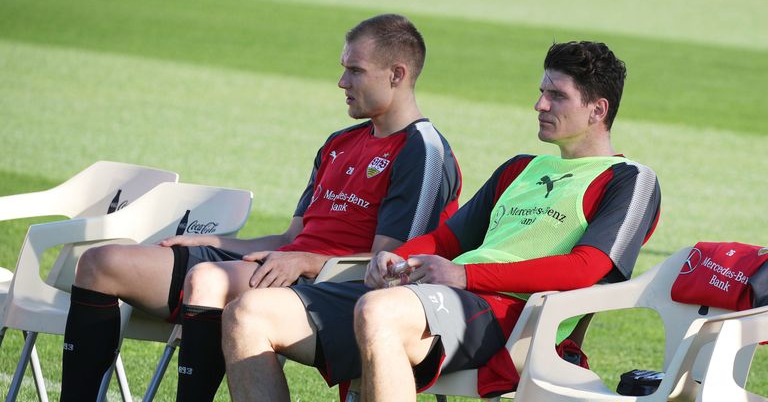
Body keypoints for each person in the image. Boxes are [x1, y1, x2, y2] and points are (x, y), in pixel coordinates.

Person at [220, 40, 662, 401]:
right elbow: (447, 239)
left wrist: (464, 276)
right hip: (432, 298)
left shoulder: (629, 179)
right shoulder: (520, 168)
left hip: (511, 318)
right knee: (248, 312)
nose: (539, 104)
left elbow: (587, 269)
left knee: (378, 309)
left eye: (557, 96)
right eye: (542, 91)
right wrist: (397, 258)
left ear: (598, 110)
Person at [59, 13, 462, 402]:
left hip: (337, 286)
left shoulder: (420, 150)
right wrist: (214, 240)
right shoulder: (339, 143)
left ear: (396, 74)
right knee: (100, 263)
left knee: (208, 281)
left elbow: (389, 265)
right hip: (281, 263)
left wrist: (305, 262)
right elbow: (290, 238)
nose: (341, 82)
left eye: (355, 70)